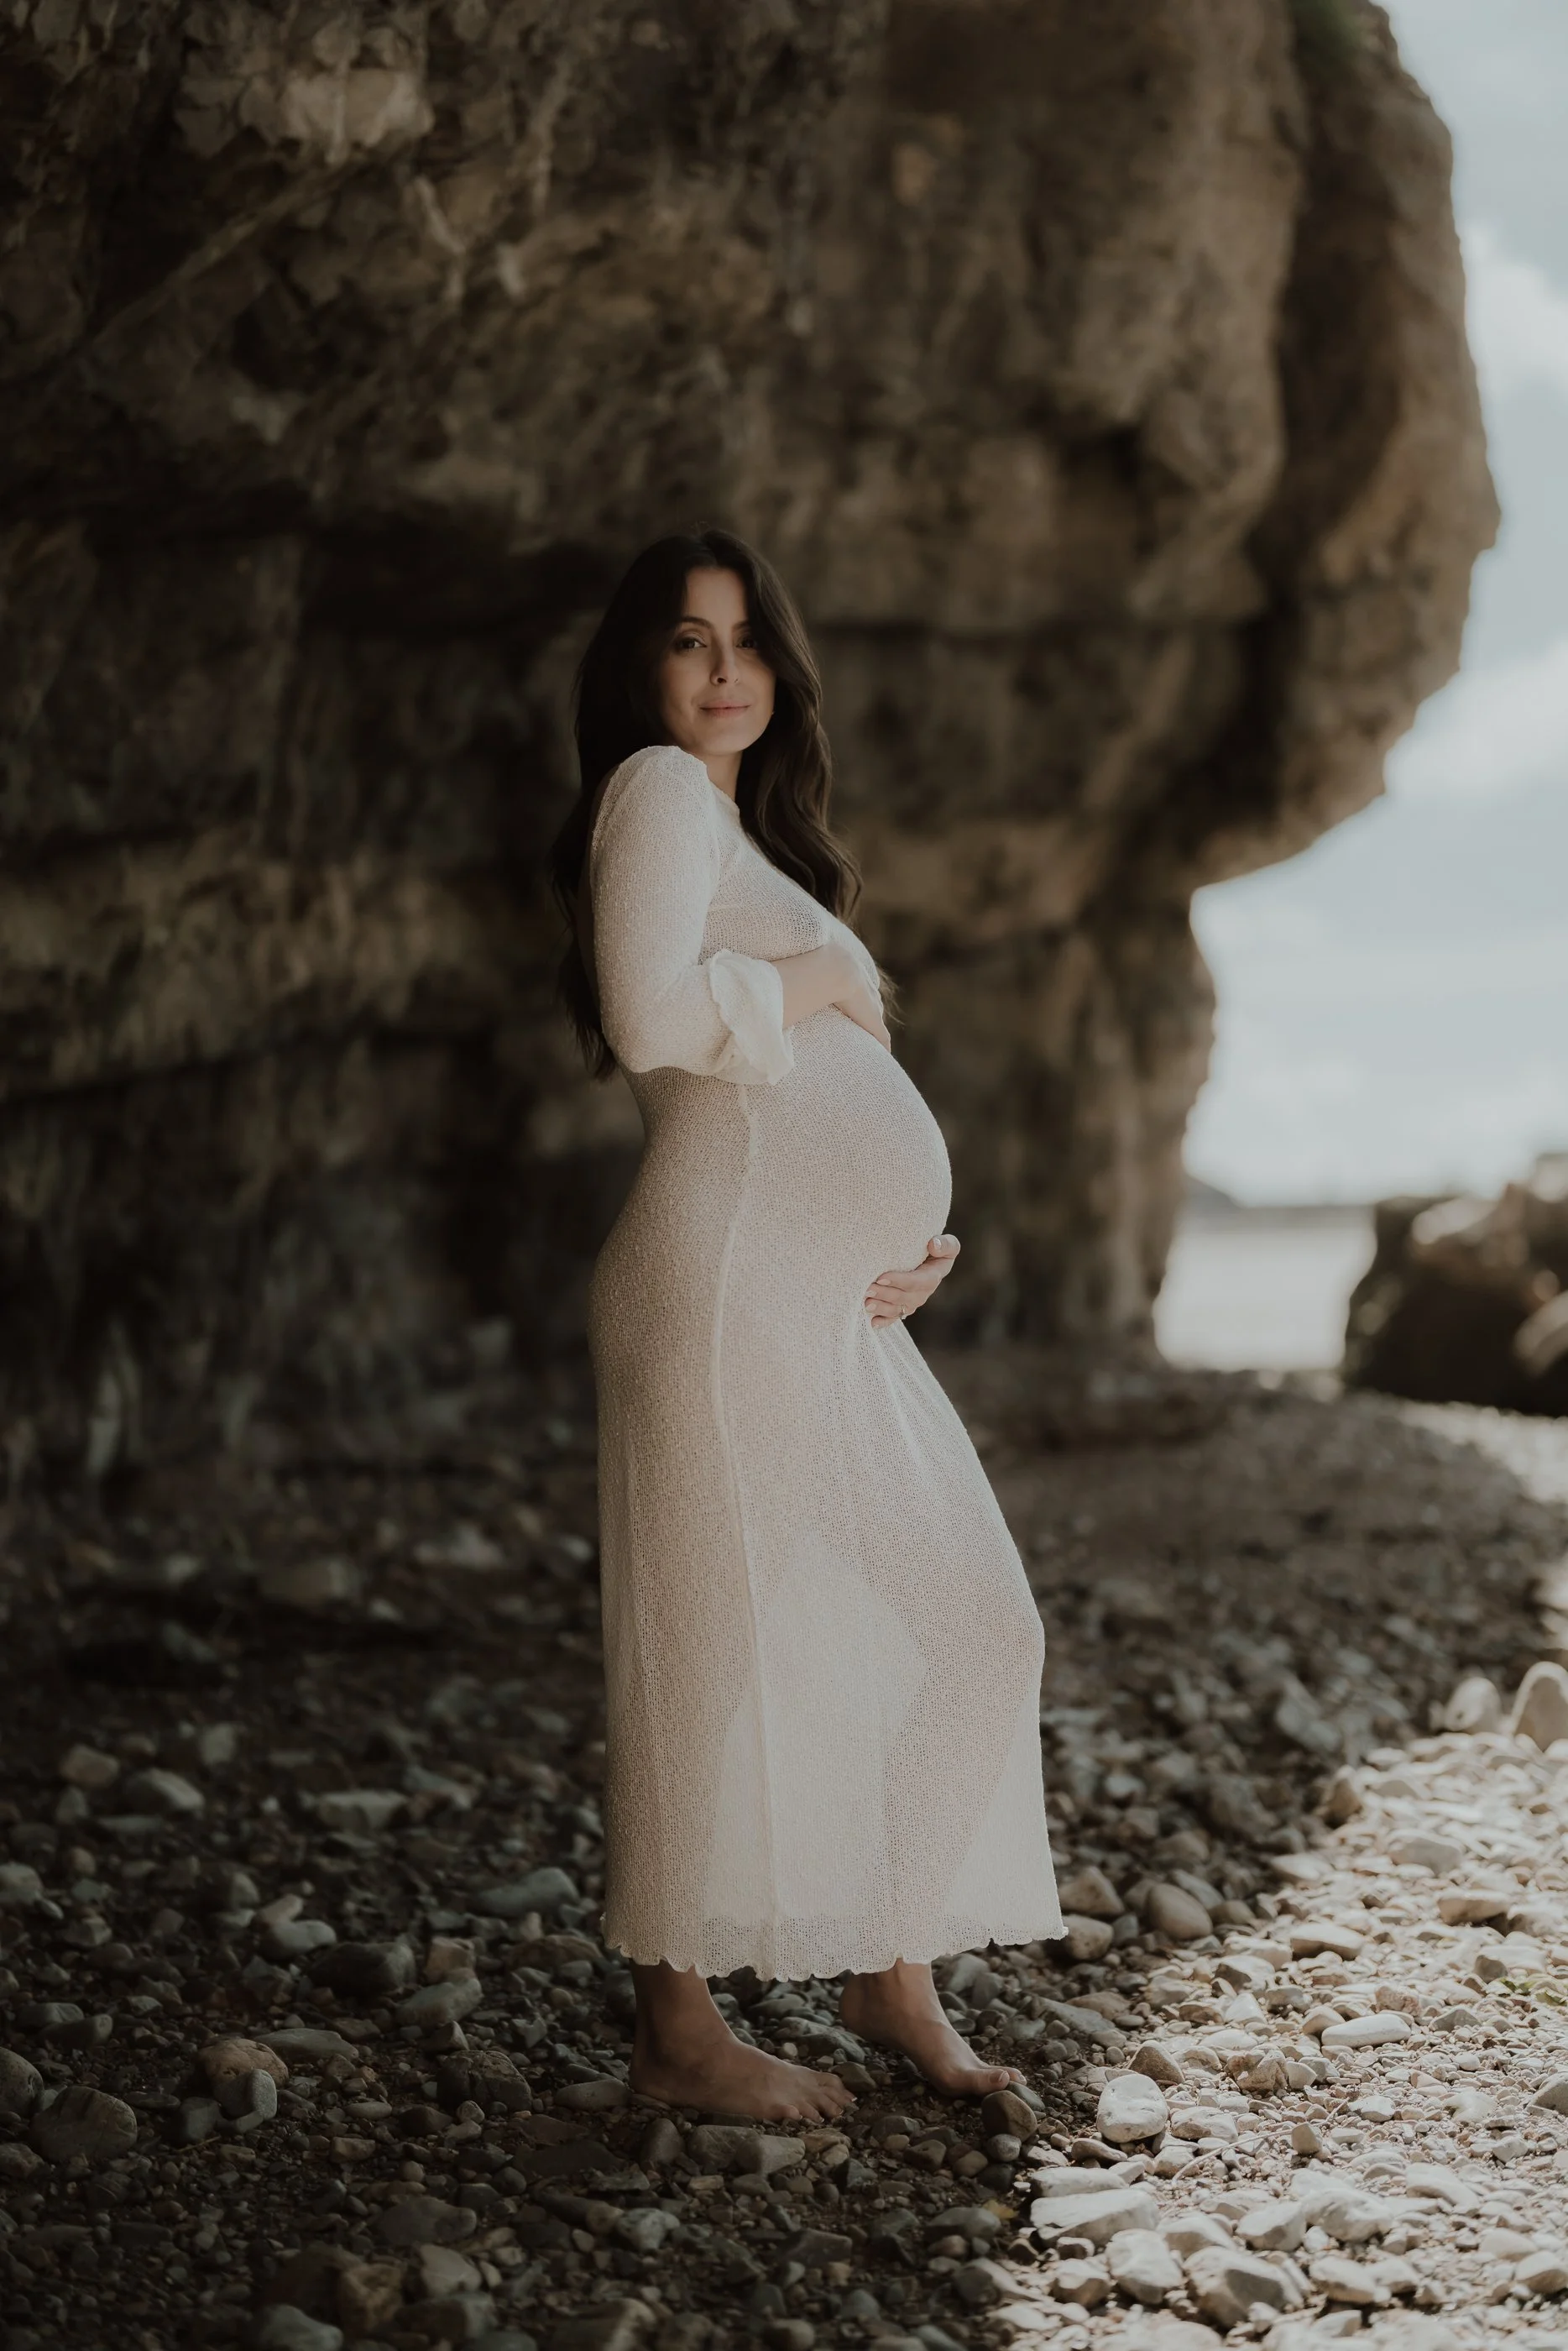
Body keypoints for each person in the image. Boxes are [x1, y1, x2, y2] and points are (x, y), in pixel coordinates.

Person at [549, 528, 1061, 2123]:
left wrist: (915, 1229)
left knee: (980, 1625)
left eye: (748, 640)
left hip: (824, 1303)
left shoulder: (742, 836)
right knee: (700, 1656)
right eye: (690, 642)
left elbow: (824, 1101)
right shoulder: (649, 794)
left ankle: (887, 1963)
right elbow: (646, 1018)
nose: (723, 672)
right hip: (715, 1289)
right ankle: (676, 2034)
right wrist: (824, 976)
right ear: (644, 668)